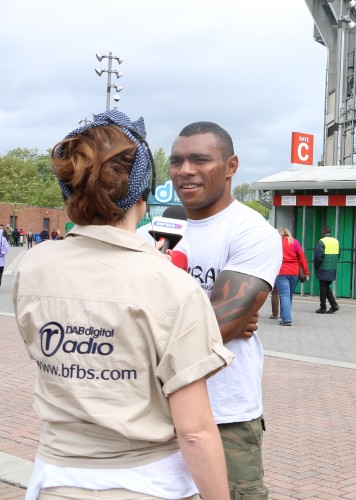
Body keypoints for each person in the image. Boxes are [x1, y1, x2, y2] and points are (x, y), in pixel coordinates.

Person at [13, 110, 232, 500]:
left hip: (55, 478)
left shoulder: (32, 266)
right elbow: (195, 432)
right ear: (142, 197)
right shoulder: (172, 287)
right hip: (146, 482)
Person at [170, 121, 282, 498]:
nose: (185, 170)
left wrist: (224, 317)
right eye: (177, 161)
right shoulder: (153, 230)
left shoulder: (250, 232)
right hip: (154, 413)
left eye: (200, 159)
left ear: (231, 166)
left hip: (224, 415)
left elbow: (220, 328)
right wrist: (208, 312)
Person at [275, 227, 309, 326]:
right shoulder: (295, 242)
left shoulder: (276, 243)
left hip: (281, 271)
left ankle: (287, 319)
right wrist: (306, 272)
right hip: (294, 272)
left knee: (284, 295)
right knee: (288, 295)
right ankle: (284, 315)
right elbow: (302, 257)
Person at [314, 225, 340, 314]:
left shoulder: (321, 242)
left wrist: (316, 266)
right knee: (325, 286)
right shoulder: (336, 241)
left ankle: (323, 307)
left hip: (323, 267)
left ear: (323, 231)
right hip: (333, 267)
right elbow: (338, 254)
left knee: (323, 287)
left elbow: (318, 257)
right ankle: (333, 305)